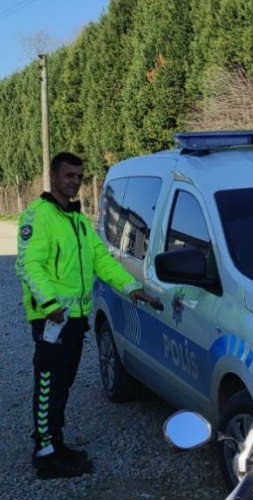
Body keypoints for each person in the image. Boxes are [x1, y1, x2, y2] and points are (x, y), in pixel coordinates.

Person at [15, 152, 159, 480]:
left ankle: (55, 442)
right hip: (52, 319)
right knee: (49, 384)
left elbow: (101, 259)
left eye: (79, 176)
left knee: (62, 384)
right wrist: (49, 304)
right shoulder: (39, 216)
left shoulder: (77, 221)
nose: (75, 181)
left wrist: (130, 287)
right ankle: (45, 453)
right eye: (69, 176)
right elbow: (28, 264)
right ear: (53, 176)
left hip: (75, 318)